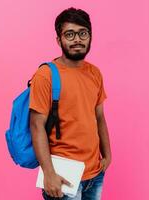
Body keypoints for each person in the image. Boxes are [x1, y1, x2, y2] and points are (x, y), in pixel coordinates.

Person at [29, 7, 111, 200]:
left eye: (83, 33)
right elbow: (36, 125)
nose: (77, 40)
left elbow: (99, 116)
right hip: (63, 174)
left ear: (90, 36)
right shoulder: (46, 75)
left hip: (94, 173)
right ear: (59, 40)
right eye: (70, 34)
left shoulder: (94, 73)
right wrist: (49, 173)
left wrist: (107, 155)